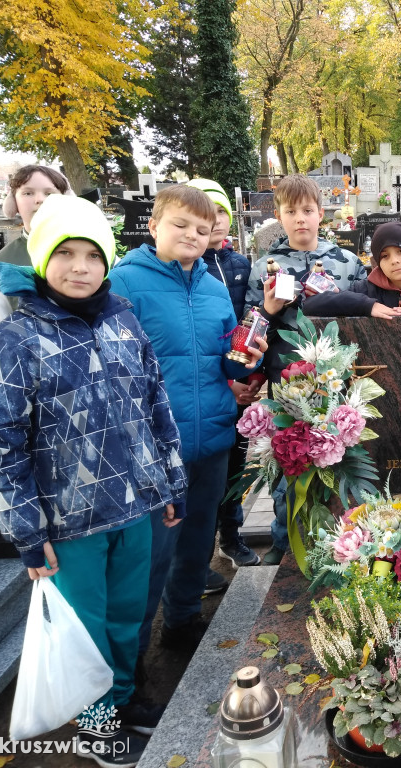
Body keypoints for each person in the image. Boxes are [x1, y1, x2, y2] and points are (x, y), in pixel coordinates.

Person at [0, 196, 186, 766]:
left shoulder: (122, 318)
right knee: (86, 628)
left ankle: (121, 699)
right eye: (64, 254)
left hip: (135, 503)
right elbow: (1, 441)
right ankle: (96, 726)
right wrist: (25, 529)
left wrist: (169, 482)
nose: (79, 268)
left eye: (91, 255)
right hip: (69, 520)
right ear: (43, 259)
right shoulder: (16, 338)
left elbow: (155, 404)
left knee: (127, 617)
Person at [111, 184, 265, 656]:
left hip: (211, 437)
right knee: (150, 558)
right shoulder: (124, 283)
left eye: (202, 229)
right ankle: (130, 669)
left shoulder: (216, 290)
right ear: (154, 225)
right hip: (156, 445)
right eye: (180, 224)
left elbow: (225, 359)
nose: (192, 235)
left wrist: (246, 362)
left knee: (198, 541)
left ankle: (181, 622)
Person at [243, 175, 367, 565]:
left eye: (308, 211)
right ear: (279, 215)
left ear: (321, 214)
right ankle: (286, 546)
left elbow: (366, 319)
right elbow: (249, 327)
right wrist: (269, 310)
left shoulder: (346, 263)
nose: (301, 219)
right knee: (290, 463)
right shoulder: (265, 265)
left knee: (342, 460)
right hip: (287, 385)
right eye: (291, 211)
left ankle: (348, 543)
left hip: (338, 382)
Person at [185, 178, 261, 575]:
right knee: (199, 477)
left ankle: (230, 538)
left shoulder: (239, 265)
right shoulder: (185, 268)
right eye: (207, 215)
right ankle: (194, 559)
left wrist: (248, 379)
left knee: (235, 465)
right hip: (206, 384)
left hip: (239, 378)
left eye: (221, 215)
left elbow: (251, 322)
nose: (215, 222)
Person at [0, 165, 73, 344]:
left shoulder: (99, 253)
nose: (39, 200)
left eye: (49, 193)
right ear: (15, 204)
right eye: (28, 193)